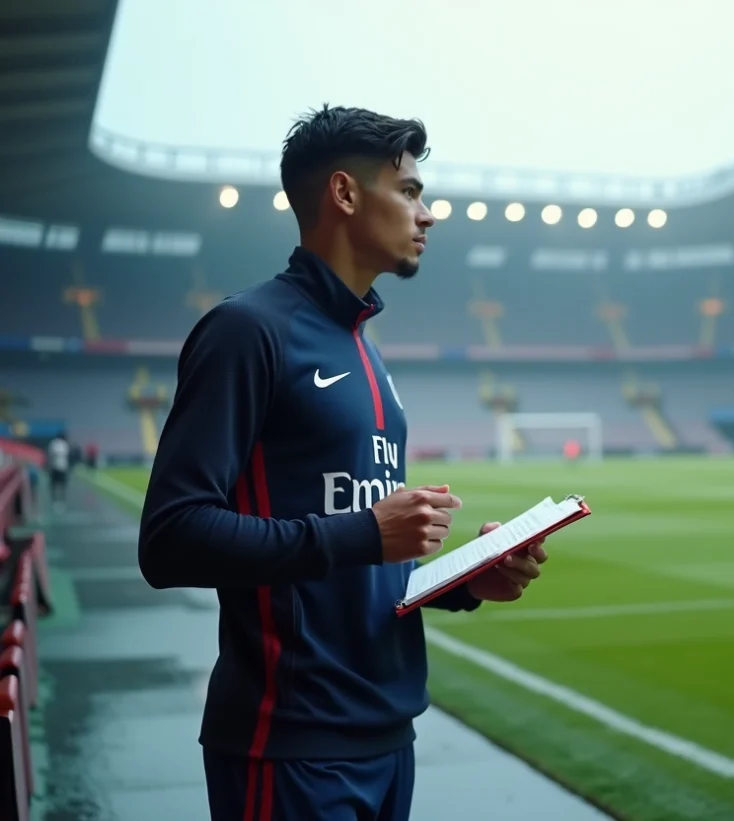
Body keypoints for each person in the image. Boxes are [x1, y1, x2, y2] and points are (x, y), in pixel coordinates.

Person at [137, 104, 549, 821]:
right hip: (289, 744)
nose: (428, 213)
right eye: (411, 191)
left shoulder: (366, 351)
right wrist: (362, 531)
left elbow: (366, 561)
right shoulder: (249, 331)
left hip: (389, 736)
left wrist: (463, 581)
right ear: (346, 194)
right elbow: (170, 538)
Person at [46, 432, 70, 513]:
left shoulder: (53, 444)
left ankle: (56, 501)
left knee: (55, 486)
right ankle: (61, 501)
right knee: (61, 486)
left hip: (55, 467)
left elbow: (49, 456)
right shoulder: (64, 444)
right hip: (61, 467)